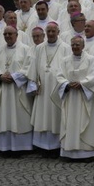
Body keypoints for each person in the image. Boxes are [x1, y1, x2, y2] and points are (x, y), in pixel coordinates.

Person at [53, 36, 94, 159]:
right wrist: (66, 83)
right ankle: (69, 152)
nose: (75, 47)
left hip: (84, 97)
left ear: (83, 46)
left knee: (86, 122)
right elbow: (59, 75)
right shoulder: (65, 60)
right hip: (70, 96)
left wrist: (82, 83)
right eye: (73, 45)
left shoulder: (91, 59)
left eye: (77, 45)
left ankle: (89, 152)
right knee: (70, 122)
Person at [27, 22, 68, 155]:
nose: (51, 34)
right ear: (45, 34)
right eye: (48, 31)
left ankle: (57, 146)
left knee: (56, 116)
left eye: (53, 31)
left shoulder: (65, 48)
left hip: (57, 88)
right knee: (43, 116)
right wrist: (33, 84)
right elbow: (33, 67)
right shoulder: (39, 48)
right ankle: (43, 146)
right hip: (42, 89)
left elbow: (68, 67)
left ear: (58, 32)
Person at [0, 26, 32, 156]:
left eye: (10, 34)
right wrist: (0, 76)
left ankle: (21, 147)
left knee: (19, 116)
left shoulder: (25, 49)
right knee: (5, 116)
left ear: (17, 35)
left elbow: (28, 68)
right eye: (5, 34)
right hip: (3, 89)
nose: (8, 36)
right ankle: (5, 147)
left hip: (17, 89)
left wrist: (14, 77)